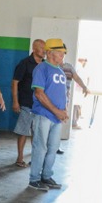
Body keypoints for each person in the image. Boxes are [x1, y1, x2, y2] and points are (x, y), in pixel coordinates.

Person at [28, 38, 69, 191]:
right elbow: (39, 94)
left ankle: (46, 176)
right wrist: (56, 111)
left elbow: (62, 94)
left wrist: (63, 111)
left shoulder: (60, 71)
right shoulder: (41, 69)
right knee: (40, 147)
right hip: (43, 115)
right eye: (61, 53)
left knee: (53, 148)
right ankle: (34, 179)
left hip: (56, 118)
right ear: (51, 53)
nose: (63, 56)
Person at [12, 39, 45, 168]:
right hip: (26, 102)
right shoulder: (24, 63)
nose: (44, 51)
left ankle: (35, 157)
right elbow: (15, 83)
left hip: (39, 104)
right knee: (23, 131)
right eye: (42, 48)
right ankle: (19, 158)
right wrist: (15, 101)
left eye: (45, 48)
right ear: (34, 48)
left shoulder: (44, 65)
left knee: (36, 132)